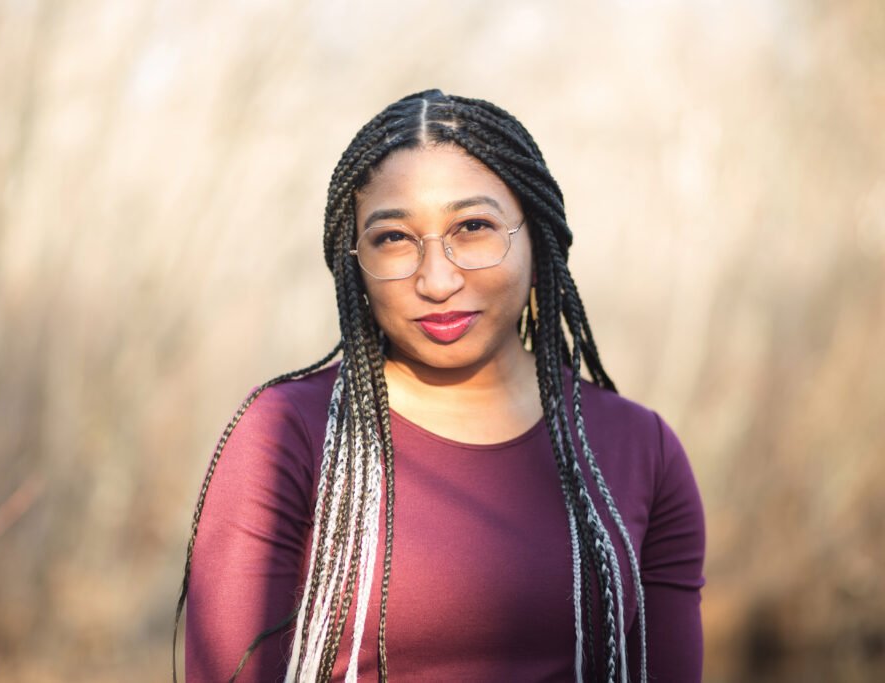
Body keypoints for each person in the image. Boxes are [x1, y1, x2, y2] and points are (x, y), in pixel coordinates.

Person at [174, 90, 706, 683]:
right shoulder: (286, 437)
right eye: (394, 238)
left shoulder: (640, 449)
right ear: (355, 261)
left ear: (539, 236)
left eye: (473, 227)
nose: (436, 278)